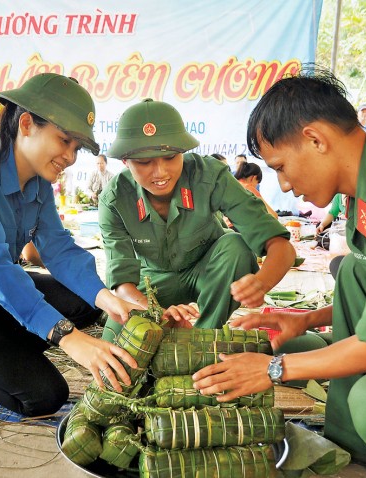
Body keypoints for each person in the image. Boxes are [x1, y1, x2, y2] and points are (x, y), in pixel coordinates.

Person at [192, 68, 366, 478]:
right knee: (354, 271)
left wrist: (273, 369)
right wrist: (307, 319)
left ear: (316, 140)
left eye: (281, 166)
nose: (283, 183)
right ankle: (358, 445)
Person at [0, 73, 145, 417]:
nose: (71, 156)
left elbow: (58, 249)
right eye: (64, 140)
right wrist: (67, 337)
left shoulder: (38, 183)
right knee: (44, 396)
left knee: (87, 302)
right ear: (27, 124)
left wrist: (112, 300)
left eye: (76, 148)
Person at [99, 98, 296, 340]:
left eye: (171, 157)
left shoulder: (210, 176)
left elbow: (281, 246)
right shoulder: (114, 199)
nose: (160, 172)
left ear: (183, 152)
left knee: (236, 246)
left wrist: (261, 283)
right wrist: (156, 314)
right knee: (115, 347)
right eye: (143, 162)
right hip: (150, 286)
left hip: (207, 271)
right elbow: (121, 284)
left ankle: (203, 338)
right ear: (125, 162)